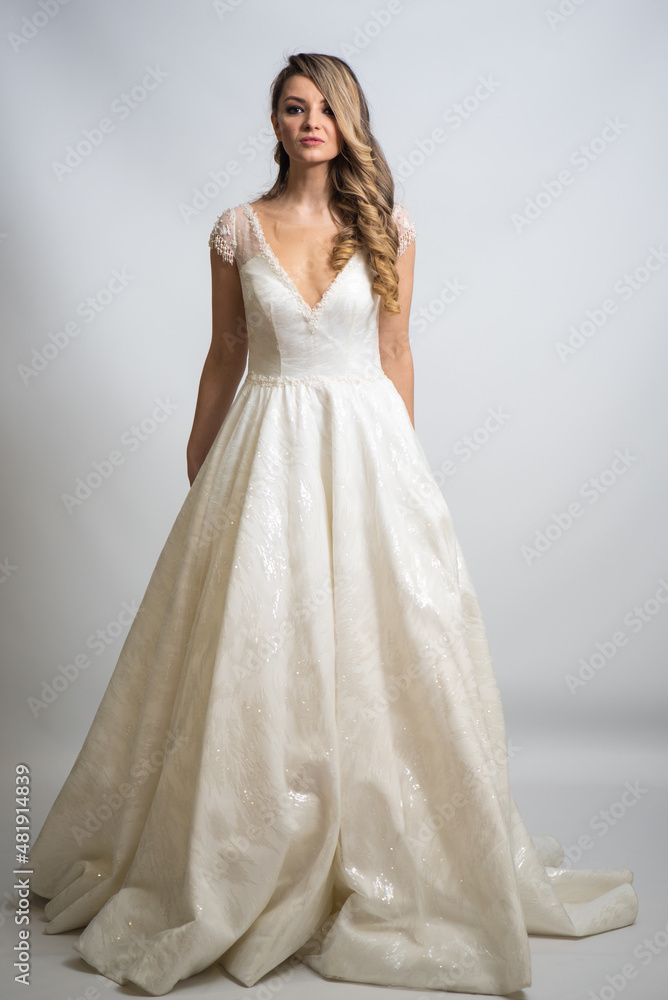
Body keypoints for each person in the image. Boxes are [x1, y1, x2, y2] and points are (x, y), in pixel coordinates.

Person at [29, 52, 638, 997]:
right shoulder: (238, 229)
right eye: (291, 107)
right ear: (274, 125)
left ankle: (379, 836)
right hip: (262, 452)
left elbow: (395, 351)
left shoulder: (384, 228)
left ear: (349, 120)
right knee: (257, 649)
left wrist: (406, 475)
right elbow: (226, 350)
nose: (308, 121)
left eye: (323, 107)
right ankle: (249, 843)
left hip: (366, 454)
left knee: (383, 645)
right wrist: (201, 462)